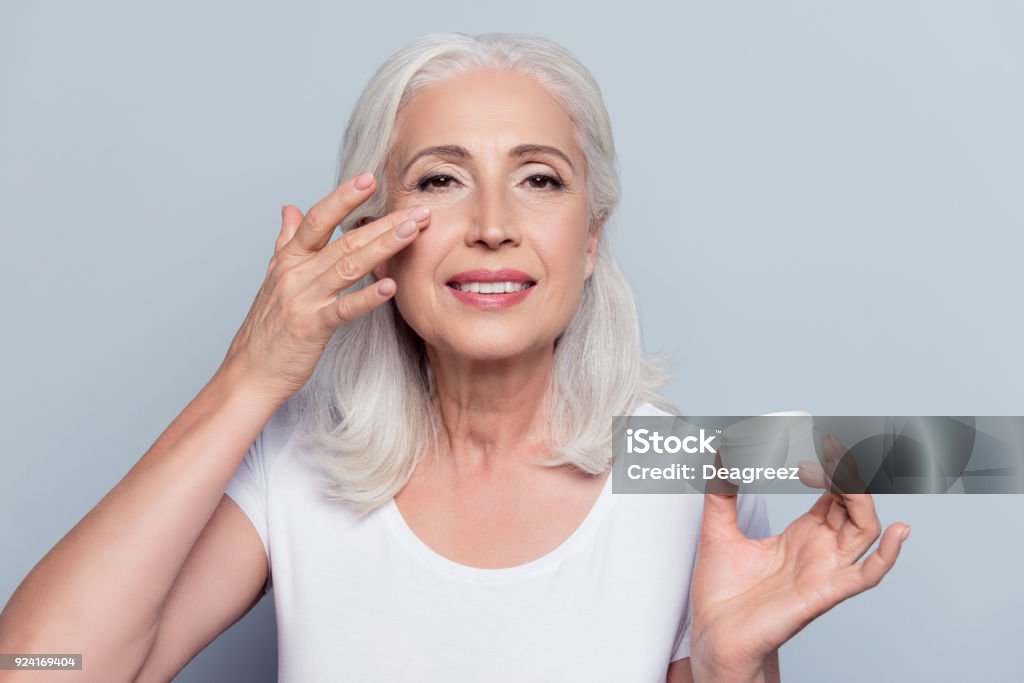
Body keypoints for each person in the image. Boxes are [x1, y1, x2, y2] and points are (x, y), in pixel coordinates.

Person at [0, 32, 909, 682]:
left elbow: (967, 452)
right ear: (379, 234)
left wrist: (727, 669)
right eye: (440, 177)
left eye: (540, 179)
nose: (492, 226)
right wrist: (254, 374)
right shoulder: (298, 460)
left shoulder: (689, 469)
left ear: (592, 237)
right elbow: (37, 668)